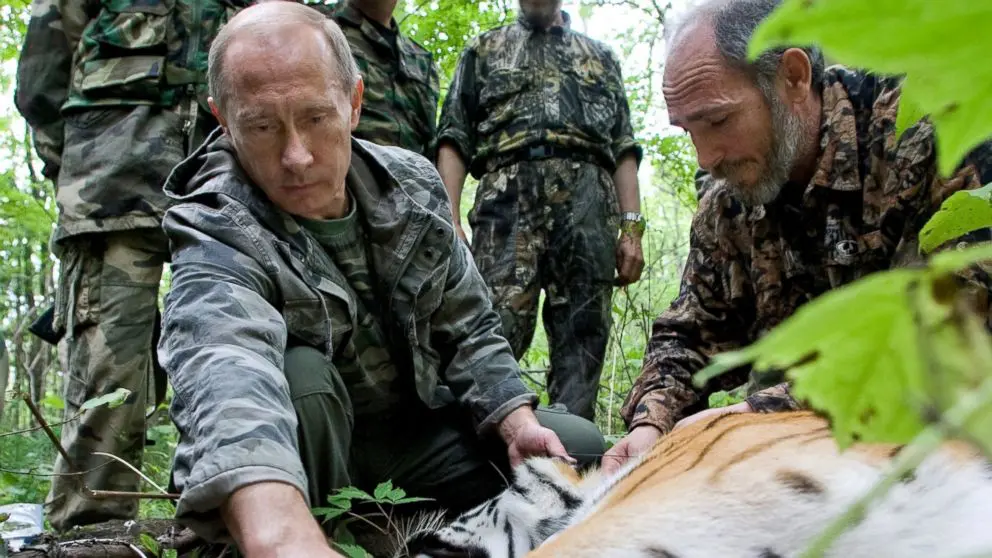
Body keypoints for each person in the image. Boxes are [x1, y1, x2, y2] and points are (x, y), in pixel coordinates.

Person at [156, 3, 605, 554]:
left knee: (577, 451)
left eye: (317, 118)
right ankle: (317, 532)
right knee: (302, 374)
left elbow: (467, 328)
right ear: (223, 120)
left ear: (354, 101)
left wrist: (515, 425)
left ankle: (406, 527)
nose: (296, 156)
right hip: (303, 459)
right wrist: (278, 534)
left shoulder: (412, 185)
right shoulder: (213, 221)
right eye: (262, 126)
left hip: (410, 442)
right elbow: (225, 368)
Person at [603, 0, 992, 473]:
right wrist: (651, 426)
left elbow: (956, 321)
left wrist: (752, 419)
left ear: (792, 77)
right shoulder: (730, 199)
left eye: (719, 121)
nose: (705, 157)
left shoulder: (928, 128)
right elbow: (690, 329)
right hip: (803, 463)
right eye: (688, 130)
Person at [13, 0, 249, 530]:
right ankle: (91, 530)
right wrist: (77, 164)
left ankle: (211, 522)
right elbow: (41, 80)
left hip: (227, 189)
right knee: (109, 368)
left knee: (229, 352)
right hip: (112, 184)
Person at [434, 0, 645, 422]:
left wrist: (632, 229)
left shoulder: (600, 57)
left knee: (584, 337)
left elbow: (623, 147)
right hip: (507, 198)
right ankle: (479, 452)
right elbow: (453, 138)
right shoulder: (483, 50)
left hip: (589, 200)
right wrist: (449, 219)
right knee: (491, 325)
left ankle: (574, 456)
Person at [325, 0, 440, 158]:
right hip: (347, 175)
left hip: (409, 178)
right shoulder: (317, 26)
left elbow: (430, 144)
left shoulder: (421, 60)